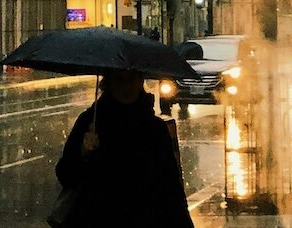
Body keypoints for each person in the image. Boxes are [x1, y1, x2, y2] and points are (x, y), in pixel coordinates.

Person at [54, 70, 194, 227]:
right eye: (119, 80)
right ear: (109, 84)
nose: (126, 86)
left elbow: (170, 185)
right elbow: (66, 175)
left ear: (140, 82)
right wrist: (83, 153)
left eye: (131, 80)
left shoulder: (154, 128)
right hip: (97, 218)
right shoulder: (90, 122)